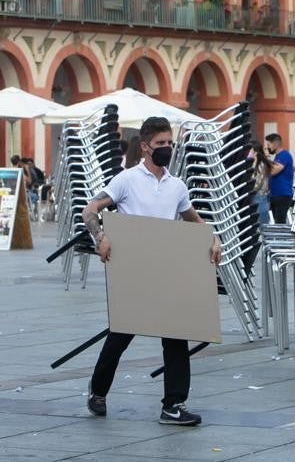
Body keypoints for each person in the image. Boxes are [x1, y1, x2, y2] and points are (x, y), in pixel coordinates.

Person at [80, 116, 220, 427]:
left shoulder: (177, 186)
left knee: (176, 337)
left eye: (169, 143)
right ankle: (98, 392)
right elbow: (90, 209)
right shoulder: (126, 180)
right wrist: (100, 237)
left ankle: (173, 404)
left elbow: (194, 221)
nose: (166, 149)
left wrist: (213, 238)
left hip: (165, 271)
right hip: (132, 271)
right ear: (145, 147)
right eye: (160, 144)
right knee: (120, 336)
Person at [265, 133, 294, 224]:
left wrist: (266, 157)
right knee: (275, 221)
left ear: (275, 144)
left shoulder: (285, 155)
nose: (268, 148)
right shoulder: (277, 157)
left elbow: (273, 171)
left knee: (280, 222)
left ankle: (282, 238)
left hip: (282, 195)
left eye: (268, 145)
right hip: (275, 195)